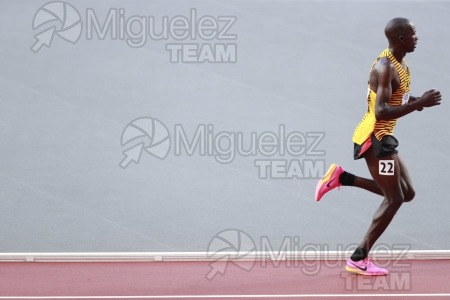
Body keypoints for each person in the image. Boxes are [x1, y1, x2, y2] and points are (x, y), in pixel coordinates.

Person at [314, 18, 442, 276]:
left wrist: (418, 101)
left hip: (383, 138)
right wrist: (419, 104)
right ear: (400, 38)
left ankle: (342, 177)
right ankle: (358, 259)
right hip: (375, 138)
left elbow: (398, 97)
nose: (417, 38)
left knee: (406, 194)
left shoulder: (400, 62)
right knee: (394, 198)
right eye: (413, 34)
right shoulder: (385, 67)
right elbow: (382, 111)